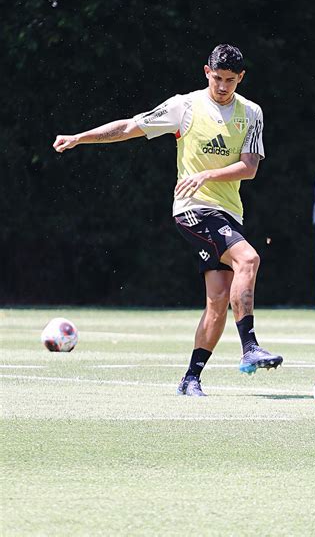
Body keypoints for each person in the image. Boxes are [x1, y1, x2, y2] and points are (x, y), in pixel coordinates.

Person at [53, 43, 283, 396]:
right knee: (248, 258)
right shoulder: (185, 106)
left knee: (218, 299)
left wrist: (208, 175)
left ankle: (191, 378)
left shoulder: (252, 113)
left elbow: (249, 167)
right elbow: (131, 125)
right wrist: (80, 138)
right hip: (192, 208)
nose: (222, 87)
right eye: (217, 78)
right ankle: (250, 346)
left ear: (241, 78)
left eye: (230, 80)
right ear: (206, 71)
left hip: (227, 212)